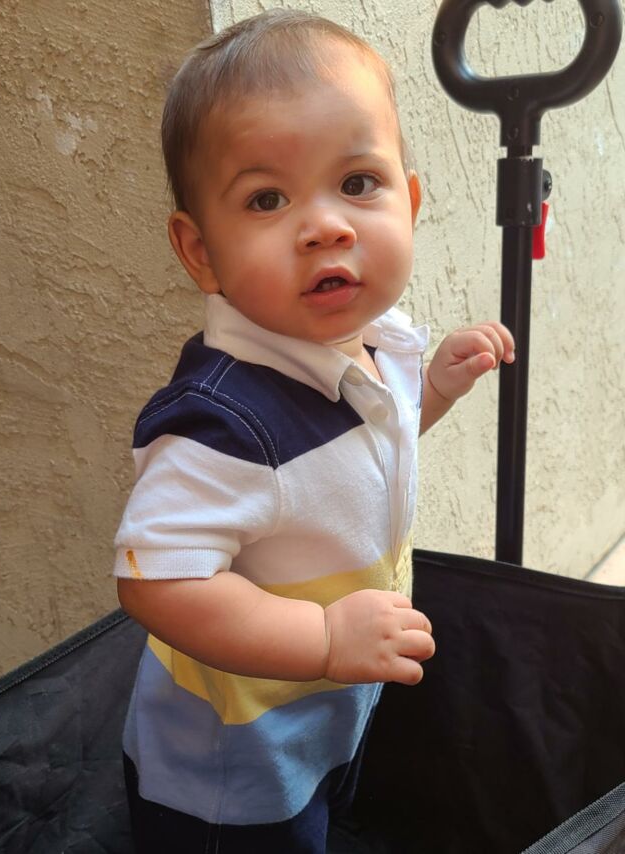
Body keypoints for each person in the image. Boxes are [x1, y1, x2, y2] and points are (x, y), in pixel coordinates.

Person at [114, 9, 515, 853]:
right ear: (201, 251)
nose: (327, 224)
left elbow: (352, 459)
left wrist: (432, 391)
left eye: (358, 183)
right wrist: (325, 638)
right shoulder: (223, 424)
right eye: (267, 199)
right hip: (234, 763)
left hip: (323, 704)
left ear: (410, 201)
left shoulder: (369, 346)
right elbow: (158, 582)